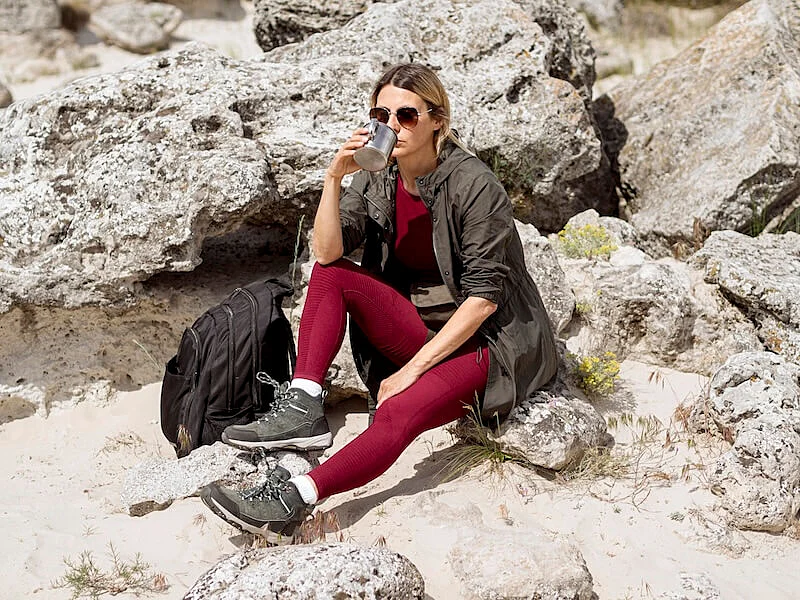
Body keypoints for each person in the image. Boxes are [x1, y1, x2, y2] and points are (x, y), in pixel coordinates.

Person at [200, 63, 558, 544]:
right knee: (332, 273)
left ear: (437, 120)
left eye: (406, 115)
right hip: (423, 328)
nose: (392, 126)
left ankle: (292, 500)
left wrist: (411, 371)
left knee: (398, 411)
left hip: (489, 344)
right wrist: (334, 177)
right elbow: (328, 251)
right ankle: (304, 405)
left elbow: (483, 300)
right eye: (381, 115)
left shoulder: (474, 185)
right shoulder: (379, 175)